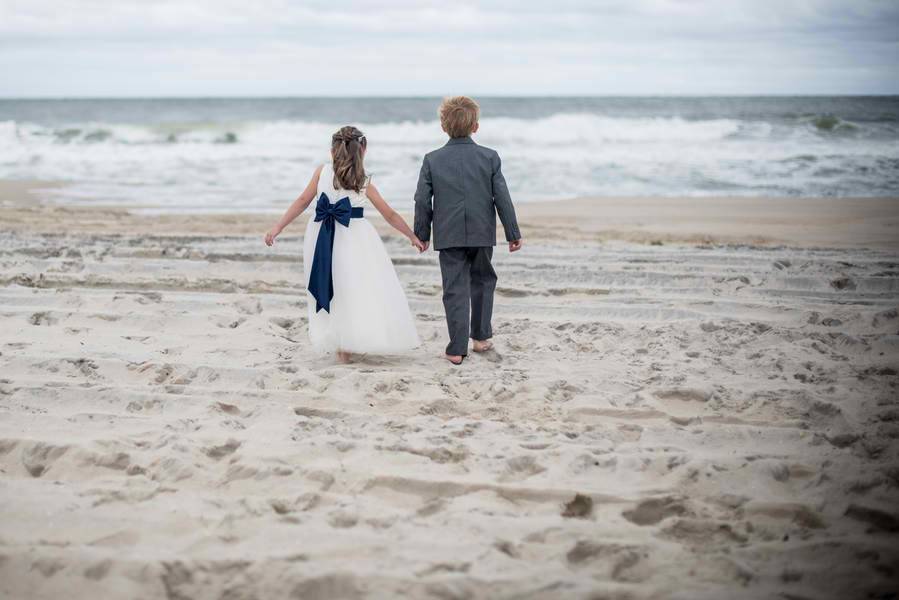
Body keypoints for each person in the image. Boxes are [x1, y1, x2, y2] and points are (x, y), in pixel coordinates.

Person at [265, 126, 424, 363]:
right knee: (352, 287)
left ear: (332, 151)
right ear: (363, 151)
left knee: (333, 284)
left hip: (320, 234)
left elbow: (301, 202)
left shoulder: (322, 172)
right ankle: (346, 343)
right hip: (355, 236)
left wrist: (278, 227)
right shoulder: (364, 180)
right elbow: (389, 214)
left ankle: (341, 342)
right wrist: (411, 236)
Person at [413, 96, 523, 365]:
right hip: (482, 231)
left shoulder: (432, 160)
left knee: (454, 288)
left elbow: (421, 199)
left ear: (443, 127)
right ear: (476, 126)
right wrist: (512, 232)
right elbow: (502, 198)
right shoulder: (489, 157)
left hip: (448, 234)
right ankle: (481, 338)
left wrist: (421, 233)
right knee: (483, 281)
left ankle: (456, 347)